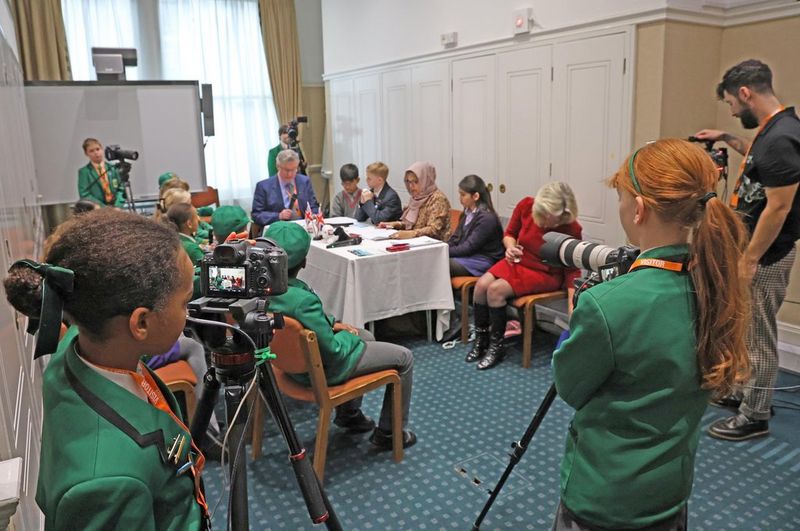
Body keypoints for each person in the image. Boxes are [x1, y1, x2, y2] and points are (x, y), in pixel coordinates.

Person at [550, 138, 750, 530]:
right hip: (669, 491)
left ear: (638, 209)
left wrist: (578, 314)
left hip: (604, 497)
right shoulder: (715, 286)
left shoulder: (606, 305)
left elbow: (570, 387)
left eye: (622, 198)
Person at [3, 209, 208, 529]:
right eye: (184, 302)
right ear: (141, 323)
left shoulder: (86, 343)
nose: (188, 312)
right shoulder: (109, 482)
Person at [694, 60, 800, 441]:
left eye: (731, 105)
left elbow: (779, 206)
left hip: (766, 256)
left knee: (758, 335)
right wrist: (725, 136)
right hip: (757, 251)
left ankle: (755, 414)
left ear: (745, 93)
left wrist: (750, 258)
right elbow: (759, 162)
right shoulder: (776, 131)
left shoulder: (781, 138)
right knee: (747, 330)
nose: (734, 112)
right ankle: (745, 394)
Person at [263, 221, 417, 450]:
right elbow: (333, 352)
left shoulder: (260, 290)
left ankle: (349, 414)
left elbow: (307, 323)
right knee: (404, 358)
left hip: (284, 367)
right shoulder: (303, 301)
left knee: (365, 335)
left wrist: (336, 326)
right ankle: (389, 433)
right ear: (304, 262)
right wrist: (351, 338)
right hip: (318, 373)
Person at [466, 182, 581, 370]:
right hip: (519, 260)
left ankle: (497, 346)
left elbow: (572, 271)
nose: (543, 221)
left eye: (549, 218)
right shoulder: (526, 205)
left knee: (495, 291)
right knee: (480, 286)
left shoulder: (572, 228)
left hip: (545, 273)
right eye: (541, 215)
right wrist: (510, 248)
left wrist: (573, 305)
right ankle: (482, 340)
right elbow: (509, 234)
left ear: (562, 214)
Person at [448, 175, 504, 277]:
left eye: (463, 195)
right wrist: (443, 248)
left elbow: (469, 247)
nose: (459, 198)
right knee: (438, 261)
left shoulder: (486, 218)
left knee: (444, 264)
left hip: (483, 260)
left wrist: (445, 252)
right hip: (469, 256)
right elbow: (456, 238)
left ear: (475, 196)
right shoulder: (467, 212)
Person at [379, 161, 451, 240]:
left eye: (415, 182)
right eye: (408, 181)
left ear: (426, 180)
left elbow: (434, 229)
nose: (411, 186)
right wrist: (396, 224)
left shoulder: (438, 199)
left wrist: (412, 233)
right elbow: (413, 224)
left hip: (435, 245)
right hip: (417, 242)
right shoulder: (416, 197)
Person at [251, 149, 319, 226]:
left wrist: (314, 214)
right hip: (277, 229)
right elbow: (256, 215)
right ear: (278, 167)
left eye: (293, 170)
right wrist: (278, 216)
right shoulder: (263, 186)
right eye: (286, 170)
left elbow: (313, 206)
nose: (290, 174)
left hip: (303, 227)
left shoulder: (304, 181)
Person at [77, 138, 126, 208]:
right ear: (86, 153)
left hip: (116, 208)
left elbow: (121, 189)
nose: (96, 153)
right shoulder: (84, 172)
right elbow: (84, 194)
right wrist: (103, 208)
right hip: (98, 210)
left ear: (102, 149)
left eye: (98, 149)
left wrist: (118, 206)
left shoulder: (113, 168)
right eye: (91, 151)